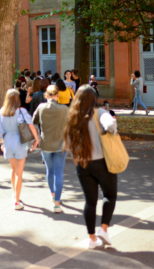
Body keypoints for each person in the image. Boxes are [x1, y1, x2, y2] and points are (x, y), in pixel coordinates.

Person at [63, 85, 118, 249]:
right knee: (110, 195)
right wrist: (112, 127)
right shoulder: (99, 113)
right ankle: (104, 229)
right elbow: (111, 127)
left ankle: (92, 239)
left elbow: (67, 141)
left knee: (90, 201)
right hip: (101, 162)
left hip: (82, 163)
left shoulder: (72, 116)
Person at [0, 89, 39, 210]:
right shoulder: (22, 111)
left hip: (8, 140)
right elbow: (31, 125)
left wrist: (2, 143)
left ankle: (14, 194)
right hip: (20, 141)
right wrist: (37, 139)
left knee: (13, 169)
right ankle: (17, 201)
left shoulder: (2, 112)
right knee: (20, 172)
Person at [32, 85, 69, 213]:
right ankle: (57, 204)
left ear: (46, 95)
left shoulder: (41, 108)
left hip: (46, 143)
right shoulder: (64, 109)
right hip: (60, 143)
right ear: (58, 95)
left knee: (50, 170)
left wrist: (37, 138)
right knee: (59, 173)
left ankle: (52, 194)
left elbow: (33, 122)